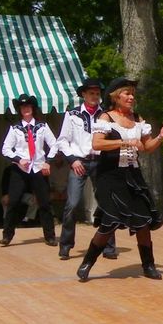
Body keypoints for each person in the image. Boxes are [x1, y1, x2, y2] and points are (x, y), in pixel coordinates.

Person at [77, 78, 163, 282]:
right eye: (127, 94)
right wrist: (123, 141)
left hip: (133, 176)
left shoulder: (138, 118)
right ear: (116, 96)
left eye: (132, 94)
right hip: (110, 176)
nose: (131, 97)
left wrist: (161, 137)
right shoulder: (106, 117)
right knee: (110, 221)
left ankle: (148, 265)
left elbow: (146, 148)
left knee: (143, 222)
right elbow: (97, 144)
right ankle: (87, 262)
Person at [51, 78, 117, 260]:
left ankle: (109, 246)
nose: (95, 96)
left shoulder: (106, 115)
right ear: (83, 95)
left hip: (101, 161)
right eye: (91, 93)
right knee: (72, 204)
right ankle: (65, 244)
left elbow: (111, 139)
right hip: (79, 162)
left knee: (106, 203)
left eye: (97, 93)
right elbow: (62, 140)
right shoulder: (72, 115)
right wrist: (72, 160)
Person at [0, 94, 58, 247]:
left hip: (38, 167)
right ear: (19, 109)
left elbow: (54, 145)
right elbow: (5, 149)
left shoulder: (42, 126)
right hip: (20, 170)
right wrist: (19, 159)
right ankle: (7, 235)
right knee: (13, 202)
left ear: (32, 108)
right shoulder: (15, 128)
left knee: (44, 202)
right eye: (22, 107)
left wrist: (48, 162)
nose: (25, 109)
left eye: (28, 106)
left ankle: (50, 236)